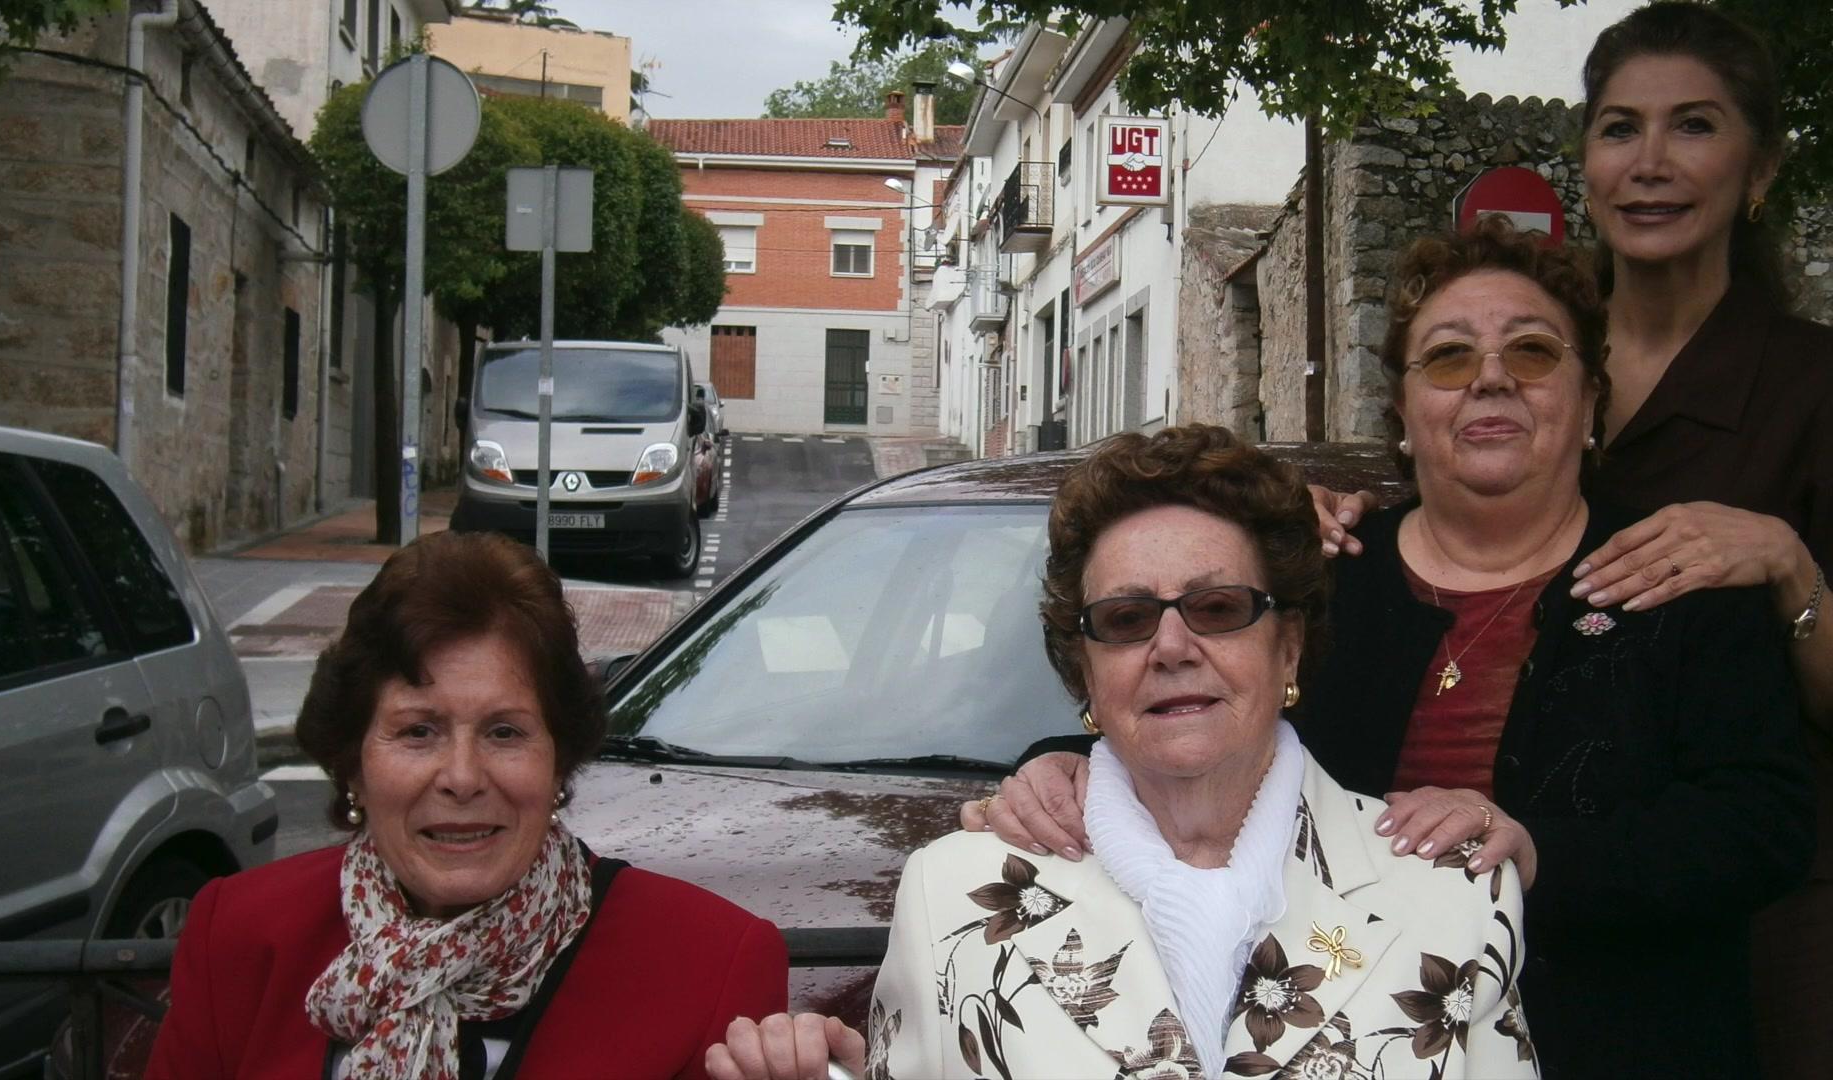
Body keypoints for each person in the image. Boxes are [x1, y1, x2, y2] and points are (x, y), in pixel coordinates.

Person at [966, 220, 1814, 1078]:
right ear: (1403, 412)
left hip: (1624, 1047)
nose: (1491, 378)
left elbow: (1767, 825)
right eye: (1448, 358)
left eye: (1531, 352)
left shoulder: (1680, 574)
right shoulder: (1325, 581)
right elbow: (1200, 723)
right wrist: (1071, 767)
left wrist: (1537, 855)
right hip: (1343, 1050)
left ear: (1591, 399)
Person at [1311, 5, 1833, 1074]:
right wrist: (1315, 527)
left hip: (1725, 936)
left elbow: (1755, 812)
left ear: (1761, 167)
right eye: (1620, 128)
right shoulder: (1522, 327)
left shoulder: (1809, 390)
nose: (1651, 162)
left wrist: (1790, 568)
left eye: (1695, 125)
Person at [710, 426, 1538, 1080]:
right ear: (1085, 672)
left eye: (1218, 607)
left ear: (1288, 647)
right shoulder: (953, 892)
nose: (1172, 646)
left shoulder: (1453, 891)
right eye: (1127, 620)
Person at [146, 531, 788, 1080]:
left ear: (558, 761)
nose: (461, 777)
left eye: (504, 732)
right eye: (417, 731)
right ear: (353, 764)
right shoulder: (237, 936)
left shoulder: (708, 966)